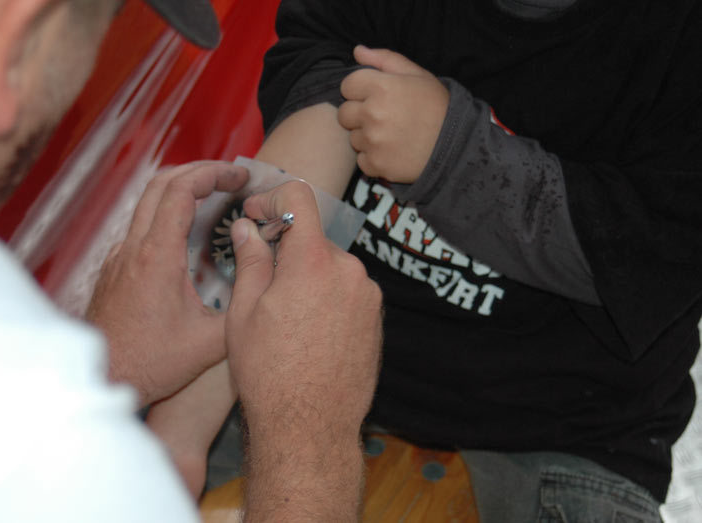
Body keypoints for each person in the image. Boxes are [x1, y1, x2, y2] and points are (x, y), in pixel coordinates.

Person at [0, 1, 383, 522]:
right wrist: (310, 446)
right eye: (105, 23)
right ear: (6, 40)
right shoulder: (62, 458)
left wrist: (114, 372)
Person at [252, 0, 702, 521]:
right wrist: (185, 428)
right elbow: (278, 201)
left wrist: (456, 155)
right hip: (301, 383)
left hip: (568, 441)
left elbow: (655, 255)